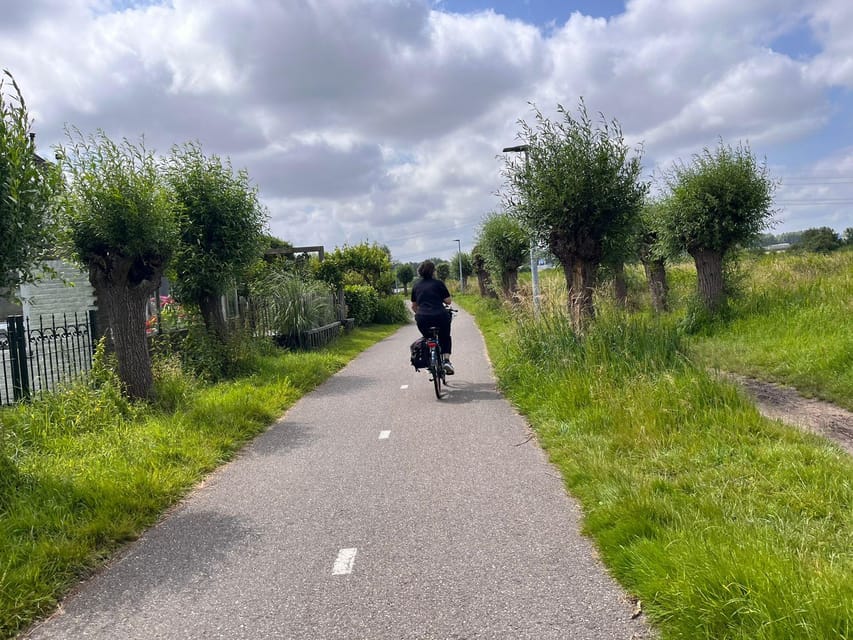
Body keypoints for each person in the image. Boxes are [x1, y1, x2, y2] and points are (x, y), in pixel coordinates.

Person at [410, 260, 454, 374]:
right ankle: (446, 361)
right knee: (445, 337)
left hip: (423, 319)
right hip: (440, 316)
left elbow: (414, 307)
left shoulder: (416, 286)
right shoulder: (438, 283)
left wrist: (420, 313)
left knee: (428, 338)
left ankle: (430, 360)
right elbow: (448, 301)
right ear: (433, 271)